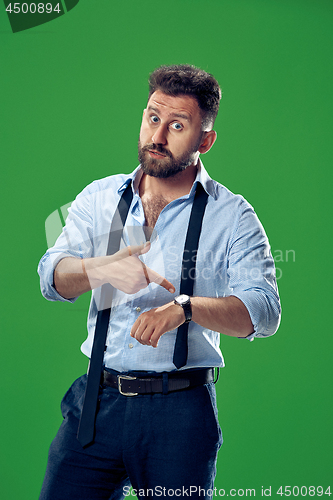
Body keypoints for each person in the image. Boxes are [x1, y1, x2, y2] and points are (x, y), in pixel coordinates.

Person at [38, 64, 281, 500]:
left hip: (181, 414)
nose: (158, 135)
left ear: (204, 140)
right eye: (153, 117)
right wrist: (101, 268)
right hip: (96, 403)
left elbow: (263, 312)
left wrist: (185, 308)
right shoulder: (99, 198)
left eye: (177, 125)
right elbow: (52, 275)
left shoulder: (233, 216)